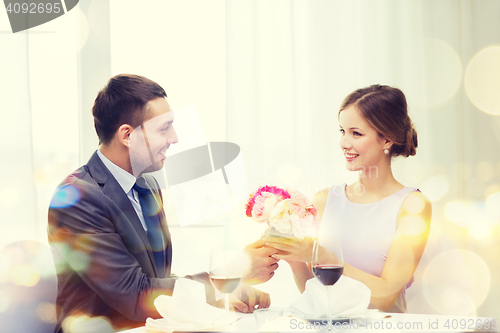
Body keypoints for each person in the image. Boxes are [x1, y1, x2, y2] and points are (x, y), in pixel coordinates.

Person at [48, 74, 277, 332]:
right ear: (127, 135)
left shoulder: (147, 186)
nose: (175, 138)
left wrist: (223, 294)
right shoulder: (78, 199)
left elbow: (155, 282)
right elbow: (135, 295)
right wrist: (231, 273)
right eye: (164, 128)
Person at [264, 84, 432, 313]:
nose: (344, 143)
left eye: (356, 133)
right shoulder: (324, 200)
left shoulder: (413, 205)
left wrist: (320, 255)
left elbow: (385, 297)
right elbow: (318, 295)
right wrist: (294, 258)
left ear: (387, 140)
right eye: (342, 131)